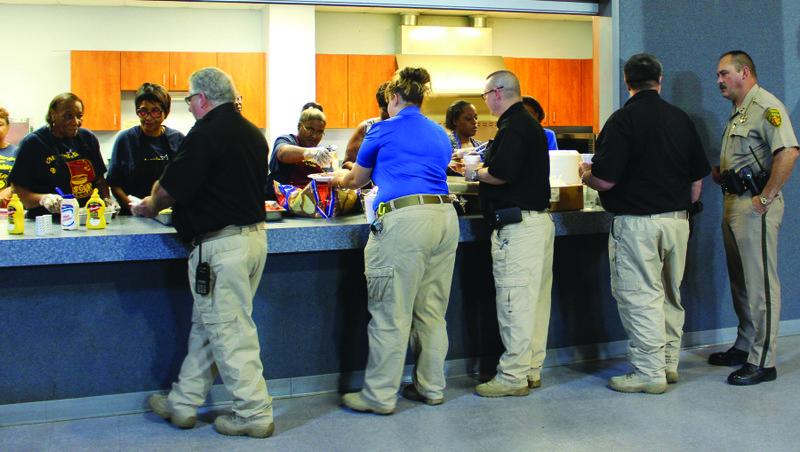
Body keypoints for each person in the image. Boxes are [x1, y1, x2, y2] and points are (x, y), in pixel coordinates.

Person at [132, 67, 274, 438]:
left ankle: (254, 412)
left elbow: (169, 191)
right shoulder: (253, 133)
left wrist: (150, 205)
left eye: (190, 99)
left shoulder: (205, 133)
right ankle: (183, 402)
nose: (190, 106)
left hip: (219, 248)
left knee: (229, 331)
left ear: (203, 99)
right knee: (209, 327)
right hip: (253, 240)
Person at [579, 53, 710, 394]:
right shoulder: (681, 119)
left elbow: (605, 181)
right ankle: (668, 364)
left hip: (637, 225)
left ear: (627, 82)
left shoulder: (623, 120)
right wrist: (683, 208)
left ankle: (648, 372)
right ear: (659, 80)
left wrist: (585, 175)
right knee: (669, 293)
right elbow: (698, 179)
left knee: (640, 297)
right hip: (678, 222)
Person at [332, 67, 459, 414]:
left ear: (393, 98)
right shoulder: (440, 133)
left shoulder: (382, 129)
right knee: (432, 311)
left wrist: (337, 178)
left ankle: (379, 396)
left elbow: (357, 179)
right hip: (445, 218)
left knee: (391, 311)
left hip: (405, 223)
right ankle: (431, 388)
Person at [708, 50, 798, 385]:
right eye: (717, 75)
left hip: (754, 206)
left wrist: (767, 196)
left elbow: (788, 151)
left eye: (724, 74)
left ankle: (763, 361)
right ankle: (746, 345)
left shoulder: (766, 107)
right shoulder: (739, 111)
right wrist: (724, 174)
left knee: (760, 284)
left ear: (745, 72)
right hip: (733, 201)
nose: (719, 81)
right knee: (741, 282)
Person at [471, 70, 554, 398]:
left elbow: (502, 173)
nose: (486, 102)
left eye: (485, 95)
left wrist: (474, 172)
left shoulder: (512, 125)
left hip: (517, 228)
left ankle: (512, 376)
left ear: (497, 92)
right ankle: (531, 369)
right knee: (535, 303)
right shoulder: (529, 123)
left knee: (514, 301)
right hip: (537, 224)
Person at [8, 93, 114, 217]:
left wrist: (107, 202)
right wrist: (43, 199)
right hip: (47, 221)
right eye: (68, 116)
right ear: (53, 114)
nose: (75, 122)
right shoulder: (32, 143)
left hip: (87, 218)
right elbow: (17, 191)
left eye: (79, 116)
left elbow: (100, 180)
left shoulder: (87, 138)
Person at [107, 83, 185, 215]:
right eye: (143, 112)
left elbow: (184, 181)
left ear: (165, 113)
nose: (148, 118)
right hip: (133, 216)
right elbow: (114, 184)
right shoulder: (125, 140)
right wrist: (133, 207)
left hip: (168, 214)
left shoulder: (178, 139)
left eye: (155, 112)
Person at [265, 107, 333, 198]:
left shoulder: (320, 153)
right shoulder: (287, 140)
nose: (314, 136)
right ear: (300, 126)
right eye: (309, 129)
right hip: (281, 203)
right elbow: (282, 153)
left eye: (319, 132)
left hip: (308, 204)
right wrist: (309, 153)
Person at [342, 82, 390, 171]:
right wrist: (364, 172)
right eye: (385, 110)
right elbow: (347, 162)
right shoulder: (366, 128)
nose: (390, 115)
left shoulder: (407, 129)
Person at [0, 107, 18, 207]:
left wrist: (8, 192)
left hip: (9, 211)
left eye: (0, 124)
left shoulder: (17, 153)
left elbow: (22, 184)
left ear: (8, 127)